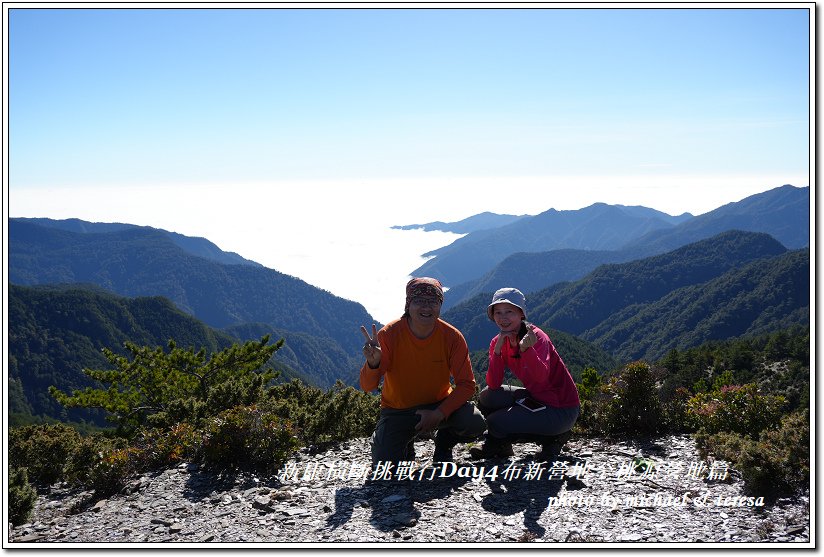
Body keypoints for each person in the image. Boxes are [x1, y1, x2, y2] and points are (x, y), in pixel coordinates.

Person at [360, 277, 486, 468]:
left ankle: (444, 442)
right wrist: (373, 364)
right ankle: (398, 440)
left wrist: (439, 413)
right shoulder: (389, 335)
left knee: (474, 422)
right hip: (398, 411)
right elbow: (368, 386)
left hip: (439, 404)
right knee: (386, 466)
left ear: (440, 305)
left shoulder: (452, 337)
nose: (426, 307)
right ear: (408, 305)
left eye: (433, 302)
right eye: (419, 301)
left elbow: (467, 385)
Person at [470, 287, 580, 461]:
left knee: (494, 422)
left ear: (521, 314)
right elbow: (494, 384)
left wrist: (526, 350)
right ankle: (502, 445)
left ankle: (553, 438)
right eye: (498, 312)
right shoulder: (498, 341)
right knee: (487, 396)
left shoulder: (536, 337)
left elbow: (541, 377)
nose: (503, 317)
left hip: (561, 409)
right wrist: (497, 352)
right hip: (537, 398)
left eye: (509, 312)